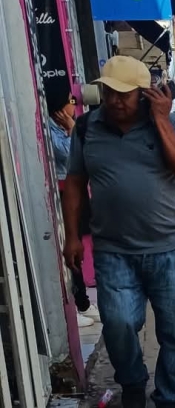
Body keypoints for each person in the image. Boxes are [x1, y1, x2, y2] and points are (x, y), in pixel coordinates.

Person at [61, 56, 175, 408]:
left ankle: (170, 399)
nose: (115, 100)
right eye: (108, 92)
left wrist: (161, 119)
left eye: (124, 94)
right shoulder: (87, 128)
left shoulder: (167, 122)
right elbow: (75, 183)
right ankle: (133, 383)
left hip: (169, 249)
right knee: (119, 323)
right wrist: (72, 236)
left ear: (144, 94)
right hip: (113, 250)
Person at [46, 89, 99, 328]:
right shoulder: (50, 128)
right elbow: (69, 157)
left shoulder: (67, 126)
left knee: (80, 243)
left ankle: (82, 301)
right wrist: (71, 131)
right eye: (70, 101)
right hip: (60, 194)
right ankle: (78, 303)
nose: (74, 104)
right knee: (68, 247)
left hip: (73, 191)